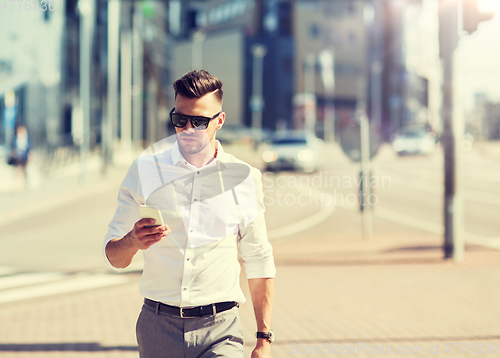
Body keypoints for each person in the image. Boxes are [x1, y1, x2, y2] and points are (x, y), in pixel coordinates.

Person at [103, 70, 275, 358]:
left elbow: (258, 258)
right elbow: (114, 257)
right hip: (158, 327)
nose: (187, 129)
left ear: (219, 121)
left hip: (221, 329)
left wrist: (264, 339)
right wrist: (132, 241)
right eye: (180, 120)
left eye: (198, 121)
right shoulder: (144, 171)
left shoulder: (244, 178)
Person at [9, 123, 31, 190]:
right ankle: (17, 186)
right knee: (18, 171)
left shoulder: (27, 138)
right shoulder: (15, 139)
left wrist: (30, 155)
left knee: (25, 172)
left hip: (24, 158)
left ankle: (25, 185)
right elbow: (12, 148)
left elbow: (30, 148)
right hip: (17, 158)